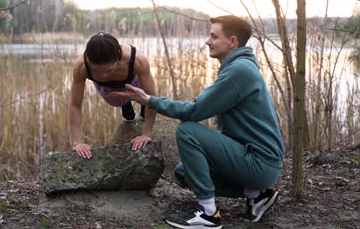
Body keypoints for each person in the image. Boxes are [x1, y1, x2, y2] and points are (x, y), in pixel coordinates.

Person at [110, 15, 284, 229]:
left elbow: (194, 112)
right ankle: (256, 195)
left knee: (188, 131)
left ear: (232, 42)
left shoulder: (239, 72)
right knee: (185, 173)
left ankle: (209, 215)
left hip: (259, 162)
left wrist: (149, 100)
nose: (207, 41)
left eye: (213, 36)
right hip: (255, 160)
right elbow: (203, 105)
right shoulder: (239, 68)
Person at [69, 31, 157, 159]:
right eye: (96, 71)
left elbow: (152, 98)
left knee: (144, 98)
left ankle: (140, 105)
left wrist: (146, 133)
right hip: (105, 87)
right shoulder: (81, 66)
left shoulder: (137, 60)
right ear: (88, 61)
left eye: (108, 70)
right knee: (116, 101)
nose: (103, 75)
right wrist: (77, 142)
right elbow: (75, 105)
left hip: (132, 81)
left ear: (119, 58)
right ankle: (126, 104)